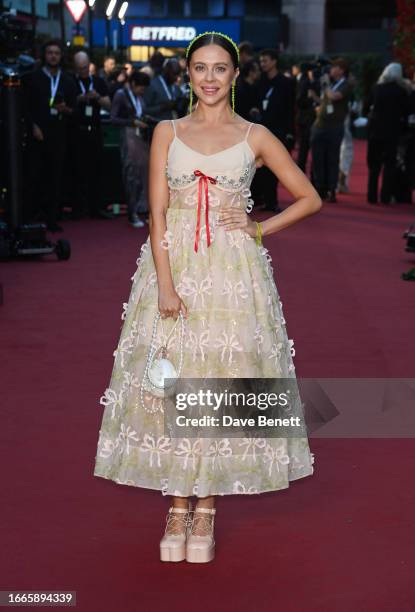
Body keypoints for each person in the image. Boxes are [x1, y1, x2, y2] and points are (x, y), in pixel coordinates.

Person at [93, 31, 321, 564]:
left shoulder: (255, 134)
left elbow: (309, 197)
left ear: (236, 76)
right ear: (188, 74)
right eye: (201, 68)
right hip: (173, 270)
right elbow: (156, 217)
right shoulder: (166, 132)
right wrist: (167, 285)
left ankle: (207, 509)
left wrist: (259, 228)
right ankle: (177, 506)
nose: (211, 78)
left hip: (234, 275)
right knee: (171, 384)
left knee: (217, 383)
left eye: (221, 68)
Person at [22, 38, 77, 232]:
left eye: (56, 53)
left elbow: (74, 109)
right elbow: (25, 107)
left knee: (55, 178)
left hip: (58, 135)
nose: (53, 56)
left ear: (61, 57)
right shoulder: (33, 78)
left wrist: (66, 109)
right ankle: (29, 217)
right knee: (33, 176)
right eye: (50, 53)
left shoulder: (68, 80)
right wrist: (33, 126)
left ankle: (52, 219)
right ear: (44, 56)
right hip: (37, 134)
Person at [70, 50, 113, 220]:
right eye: (80, 68)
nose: (83, 71)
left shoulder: (98, 82)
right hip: (76, 131)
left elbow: (109, 104)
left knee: (97, 170)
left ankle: (96, 207)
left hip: (94, 130)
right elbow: (64, 102)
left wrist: (98, 98)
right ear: (75, 67)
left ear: (90, 66)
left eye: (85, 67)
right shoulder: (70, 81)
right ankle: (78, 208)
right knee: (77, 171)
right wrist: (79, 99)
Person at [252, 48, 296, 212]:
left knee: (275, 167)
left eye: (266, 61)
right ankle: (263, 199)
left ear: (274, 61)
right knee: (260, 168)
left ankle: (272, 201)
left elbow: (290, 109)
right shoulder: (260, 82)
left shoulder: (286, 83)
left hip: (278, 131)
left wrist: (290, 132)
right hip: (260, 131)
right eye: (261, 61)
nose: (263, 64)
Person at [363, 63, 411, 205]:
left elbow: (366, 107)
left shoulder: (376, 88)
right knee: (389, 165)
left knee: (373, 166)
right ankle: (385, 196)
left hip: (375, 132)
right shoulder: (402, 91)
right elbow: (407, 111)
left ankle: (371, 196)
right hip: (392, 132)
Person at [309, 58, 354, 203]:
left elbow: (334, 97)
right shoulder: (332, 84)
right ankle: (320, 189)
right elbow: (325, 100)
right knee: (318, 159)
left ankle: (331, 189)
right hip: (319, 126)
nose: (331, 70)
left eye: (334, 68)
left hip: (334, 127)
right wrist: (315, 96)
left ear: (341, 70)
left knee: (332, 159)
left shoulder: (346, 84)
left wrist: (326, 82)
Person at [111, 70, 151, 228]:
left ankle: (143, 209)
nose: (143, 91)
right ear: (133, 84)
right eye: (141, 88)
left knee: (144, 175)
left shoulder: (139, 96)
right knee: (131, 175)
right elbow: (113, 119)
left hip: (140, 138)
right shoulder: (121, 94)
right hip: (128, 136)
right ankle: (132, 213)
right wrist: (132, 122)